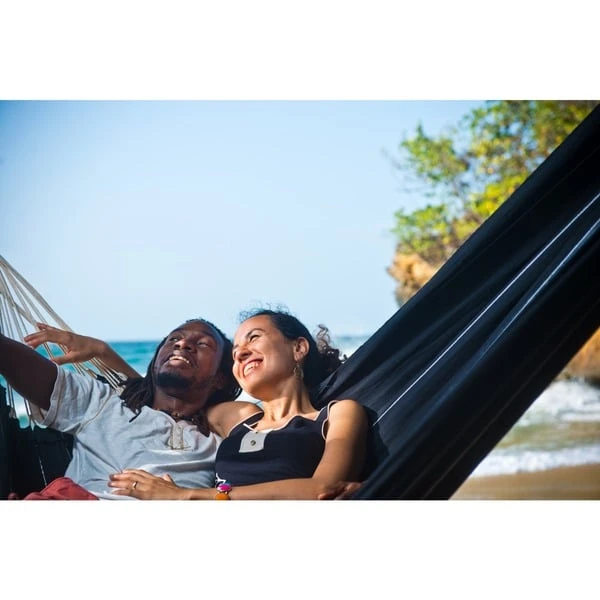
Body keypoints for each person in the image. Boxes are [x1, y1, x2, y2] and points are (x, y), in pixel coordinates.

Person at [24, 309, 368, 500]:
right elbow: (167, 398)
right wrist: (104, 352)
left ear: (299, 348)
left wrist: (183, 498)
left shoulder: (336, 414)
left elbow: (322, 490)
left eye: (254, 338)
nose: (241, 352)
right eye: (236, 351)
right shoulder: (236, 419)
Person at [0, 318, 257, 499]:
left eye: (203, 344)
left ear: (221, 377)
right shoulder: (103, 403)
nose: (183, 344)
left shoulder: (219, 435)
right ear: (156, 360)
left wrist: (183, 497)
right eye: (174, 339)